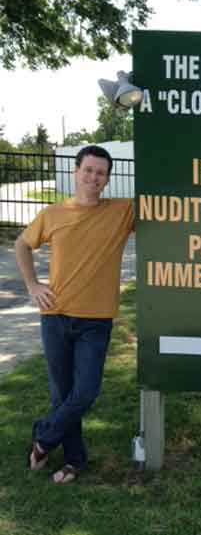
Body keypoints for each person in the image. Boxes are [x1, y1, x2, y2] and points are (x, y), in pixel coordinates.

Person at [15, 145, 135, 483]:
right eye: (88, 170)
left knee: (85, 392)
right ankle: (74, 460)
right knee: (62, 395)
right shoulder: (53, 214)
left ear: (107, 179)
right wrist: (32, 285)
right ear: (76, 172)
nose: (93, 177)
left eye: (101, 173)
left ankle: (42, 437)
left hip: (96, 322)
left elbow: (166, 206)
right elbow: (22, 245)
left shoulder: (122, 212)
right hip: (55, 316)